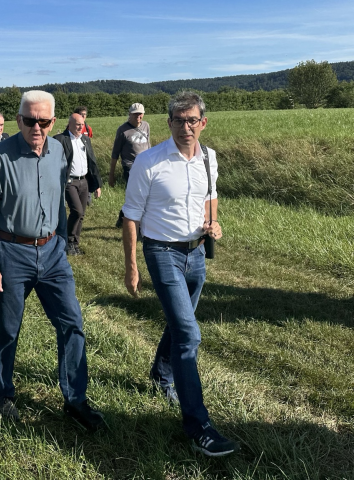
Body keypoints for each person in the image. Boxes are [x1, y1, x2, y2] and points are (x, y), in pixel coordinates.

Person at [0, 90, 104, 431]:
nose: (37, 127)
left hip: (52, 252)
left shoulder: (60, 151)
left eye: (44, 121)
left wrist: (59, 239)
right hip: (11, 252)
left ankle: (75, 399)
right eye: (30, 120)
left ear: (52, 122)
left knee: (72, 323)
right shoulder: (1, 157)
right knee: (8, 327)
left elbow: (59, 198)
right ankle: (2, 392)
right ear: (18, 120)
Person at [121, 91, 239, 457]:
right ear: (169, 122)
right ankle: (198, 425)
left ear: (203, 122)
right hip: (162, 252)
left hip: (196, 252)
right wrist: (131, 266)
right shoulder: (150, 162)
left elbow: (210, 195)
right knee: (189, 333)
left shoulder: (208, 158)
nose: (186, 127)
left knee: (178, 322)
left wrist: (214, 222)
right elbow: (130, 216)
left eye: (192, 120)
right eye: (178, 120)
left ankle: (160, 374)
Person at [54, 114, 102, 255]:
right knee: (77, 211)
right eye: (77, 124)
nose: (81, 127)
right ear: (70, 124)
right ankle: (67, 241)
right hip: (70, 182)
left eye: (82, 124)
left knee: (81, 215)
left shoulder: (85, 140)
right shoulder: (61, 140)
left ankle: (75, 243)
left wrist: (97, 185)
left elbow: (92, 162)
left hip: (84, 181)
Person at [110, 103, 151, 227]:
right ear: (130, 114)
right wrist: (111, 174)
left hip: (145, 165)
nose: (138, 116)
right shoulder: (123, 130)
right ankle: (135, 223)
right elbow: (115, 153)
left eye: (140, 114)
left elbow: (148, 145)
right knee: (136, 194)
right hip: (130, 166)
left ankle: (123, 218)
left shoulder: (146, 126)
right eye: (135, 114)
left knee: (145, 194)